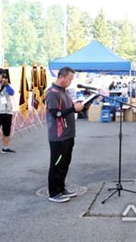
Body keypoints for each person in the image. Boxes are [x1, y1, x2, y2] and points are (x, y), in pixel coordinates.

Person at [46, 67, 84, 203]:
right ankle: (53, 192)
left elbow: (66, 109)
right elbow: (56, 114)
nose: (70, 82)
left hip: (68, 135)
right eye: (69, 79)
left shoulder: (64, 92)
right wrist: (73, 109)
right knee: (56, 164)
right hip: (58, 136)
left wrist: (77, 107)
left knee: (65, 163)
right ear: (61, 77)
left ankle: (61, 188)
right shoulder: (52, 93)